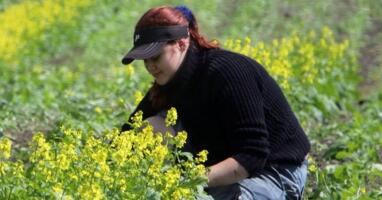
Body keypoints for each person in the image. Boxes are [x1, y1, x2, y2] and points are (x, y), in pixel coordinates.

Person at [120, 5, 311, 200]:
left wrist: (187, 181)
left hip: (274, 171)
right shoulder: (167, 85)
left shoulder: (228, 72)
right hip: (222, 168)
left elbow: (252, 156)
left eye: (155, 57)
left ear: (181, 43)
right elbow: (125, 136)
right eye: (145, 60)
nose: (150, 66)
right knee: (150, 126)